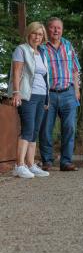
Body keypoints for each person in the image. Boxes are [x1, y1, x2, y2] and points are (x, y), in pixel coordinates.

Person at [8, 22, 50, 178]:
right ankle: (19, 165)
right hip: (27, 95)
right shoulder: (21, 50)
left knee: (35, 131)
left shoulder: (42, 53)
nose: (37, 37)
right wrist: (16, 92)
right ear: (28, 34)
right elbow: (17, 72)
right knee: (28, 129)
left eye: (40, 34)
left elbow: (46, 77)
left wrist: (47, 99)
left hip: (41, 95)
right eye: (34, 33)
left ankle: (31, 165)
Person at [39, 17, 81, 172]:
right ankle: (47, 161)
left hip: (68, 93)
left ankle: (66, 162)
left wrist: (76, 90)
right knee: (46, 128)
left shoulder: (68, 45)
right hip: (48, 93)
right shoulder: (41, 47)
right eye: (52, 27)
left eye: (59, 28)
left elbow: (76, 69)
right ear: (47, 29)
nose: (56, 30)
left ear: (62, 30)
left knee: (69, 127)